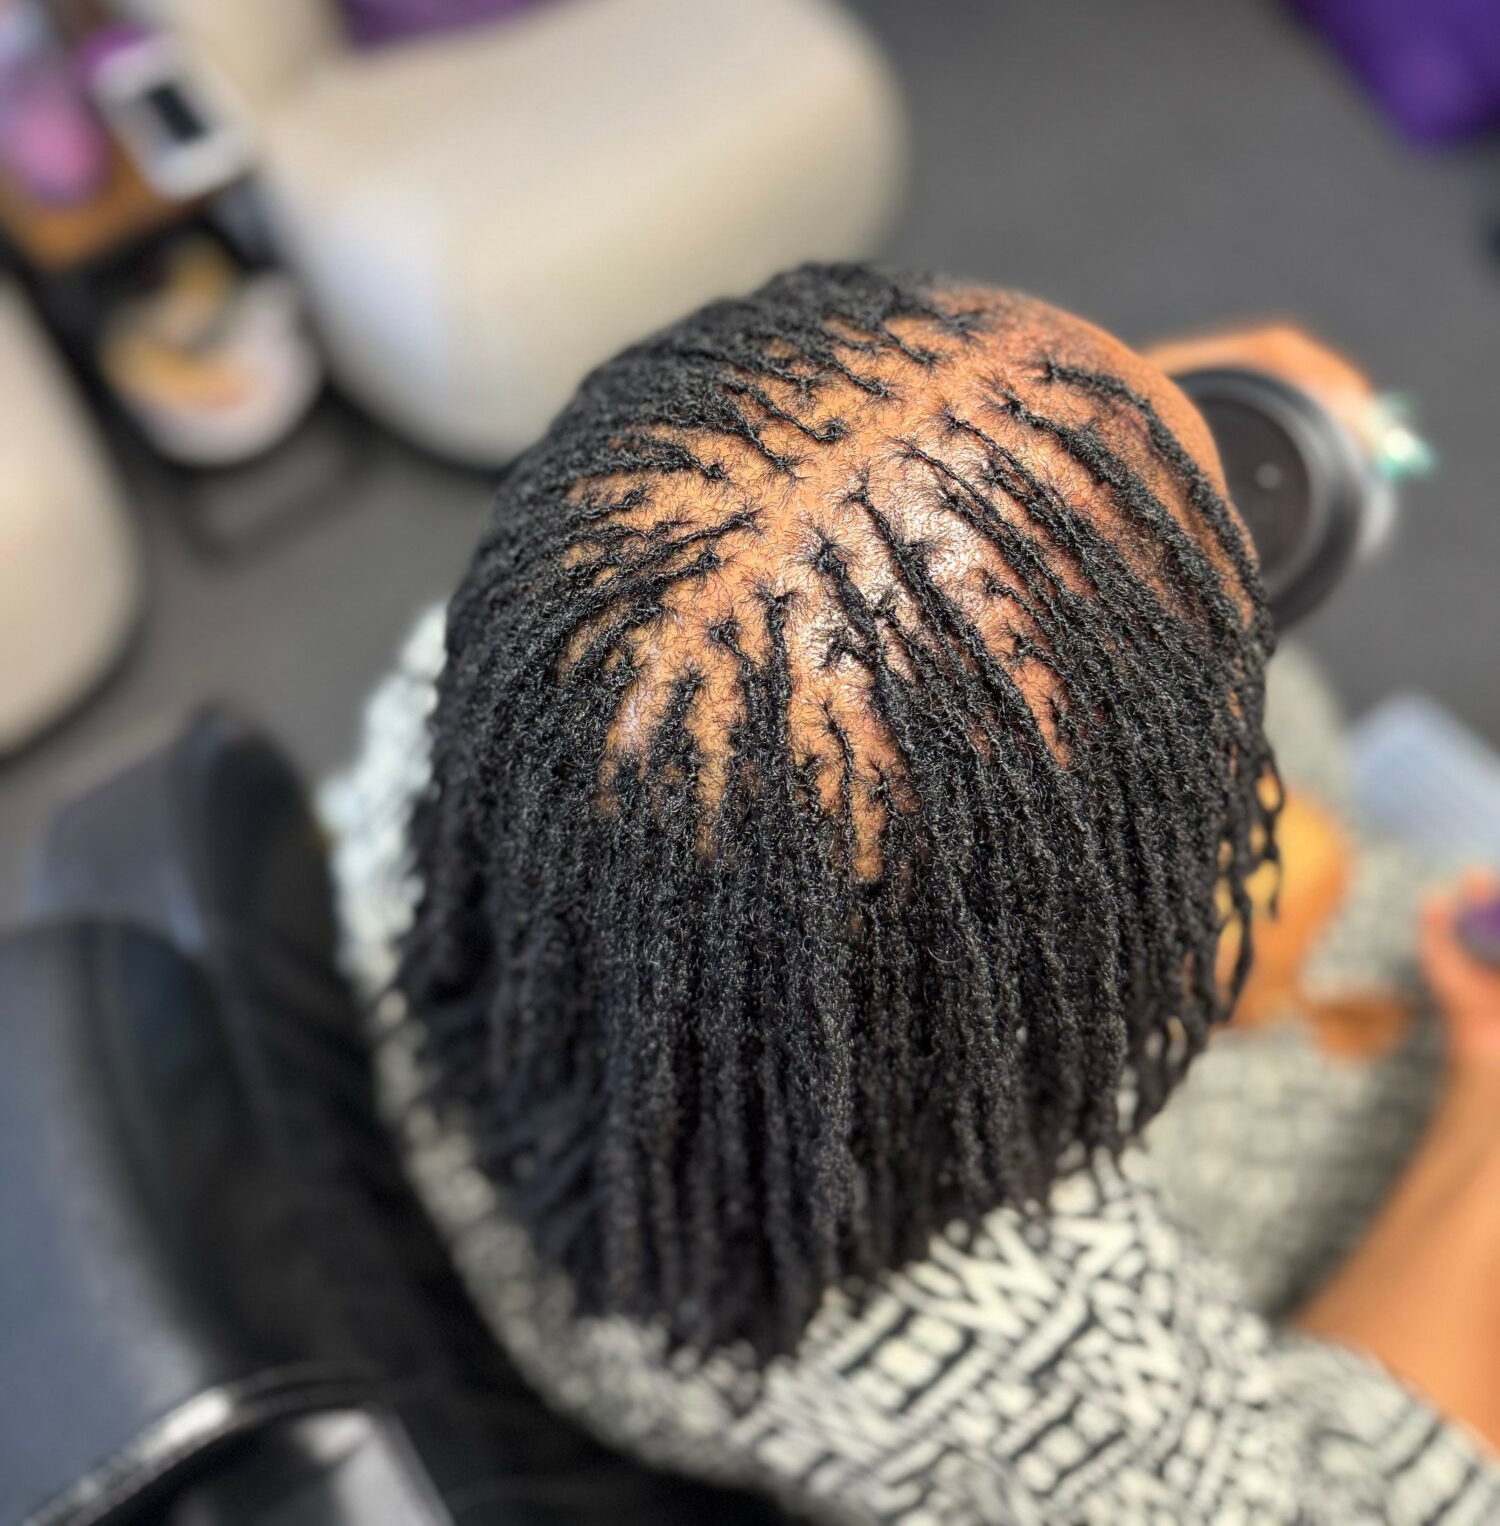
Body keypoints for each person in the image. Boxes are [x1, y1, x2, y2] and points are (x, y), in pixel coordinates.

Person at [326, 263, 1500, 1525]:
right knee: (1341, 850)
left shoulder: (506, 674)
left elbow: (827, 549)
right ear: (1049, 963)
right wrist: (1483, 1111)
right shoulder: (1037, 1355)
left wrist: (1055, 440)